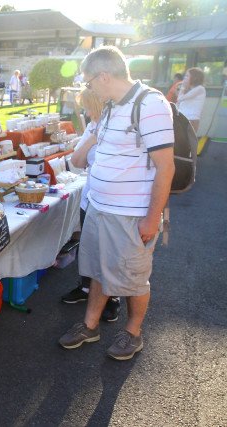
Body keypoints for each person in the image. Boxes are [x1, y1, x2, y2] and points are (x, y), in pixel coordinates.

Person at [58, 46, 175, 361]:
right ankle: (90, 325)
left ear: (104, 76)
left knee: (134, 278)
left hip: (130, 214)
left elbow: (166, 167)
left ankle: (133, 333)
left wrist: (152, 219)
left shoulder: (150, 103)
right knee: (99, 270)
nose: (89, 88)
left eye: (89, 82)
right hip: (99, 207)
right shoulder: (110, 106)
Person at [61, 88, 121, 322]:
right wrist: (92, 138)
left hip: (114, 202)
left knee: (111, 252)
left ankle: (113, 297)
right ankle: (86, 288)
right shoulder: (93, 127)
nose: (85, 112)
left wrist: (90, 147)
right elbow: (76, 161)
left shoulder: (118, 127)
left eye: (87, 107)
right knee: (89, 248)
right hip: (90, 198)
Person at [176, 67, 206, 133]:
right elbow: (178, 102)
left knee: (188, 139)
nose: (184, 78)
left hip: (191, 119)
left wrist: (183, 87)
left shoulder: (200, 89)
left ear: (194, 77)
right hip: (182, 118)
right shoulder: (188, 89)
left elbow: (180, 98)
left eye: (187, 76)